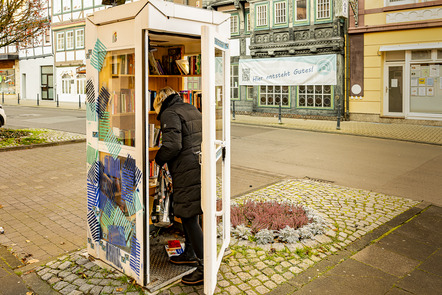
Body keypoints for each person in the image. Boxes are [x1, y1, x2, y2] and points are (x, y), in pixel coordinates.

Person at [153, 86, 204, 285]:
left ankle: (203, 267)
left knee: (189, 216)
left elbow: (173, 145)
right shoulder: (190, 108)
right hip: (198, 166)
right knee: (191, 212)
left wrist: (157, 159)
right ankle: (190, 253)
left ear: (159, 102)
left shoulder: (169, 113)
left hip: (185, 169)